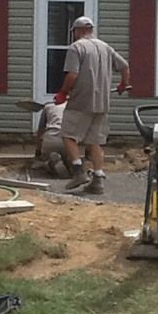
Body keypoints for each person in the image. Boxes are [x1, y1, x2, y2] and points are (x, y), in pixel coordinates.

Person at [54, 16, 130, 194]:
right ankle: (98, 179)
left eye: (74, 32)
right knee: (95, 141)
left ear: (78, 31)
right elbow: (125, 66)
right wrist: (123, 84)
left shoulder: (77, 47)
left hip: (81, 101)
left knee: (68, 135)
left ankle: (78, 170)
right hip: (102, 103)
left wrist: (63, 93)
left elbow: (72, 75)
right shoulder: (105, 47)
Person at [35, 100, 68, 177]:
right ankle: (68, 164)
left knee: (45, 160)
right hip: (67, 140)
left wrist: (38, 151)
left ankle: (49, 163)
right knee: (71, 160)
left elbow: (40, 131)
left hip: (51, 138)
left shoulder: (48, 106)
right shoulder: (72, 107)